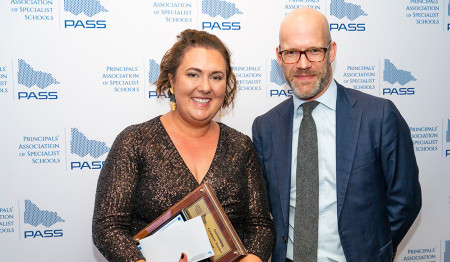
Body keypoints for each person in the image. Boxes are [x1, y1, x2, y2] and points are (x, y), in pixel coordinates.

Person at [252, 7, 421, 262]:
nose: (303, 63)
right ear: (278, 56)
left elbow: (405, 200)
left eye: (314, 50)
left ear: (331, 51)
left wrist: (373, 250)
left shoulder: (378, 116)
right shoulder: (265, 127)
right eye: (291, 53)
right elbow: (264, 212)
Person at [92, 29, 274, 262]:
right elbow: (108, 226)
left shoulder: (241, 147)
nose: (205, 87)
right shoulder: (134, 142)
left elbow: (260, 224)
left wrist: (254, 258)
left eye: (216, 77)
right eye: (193, 74)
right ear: (172, 79)